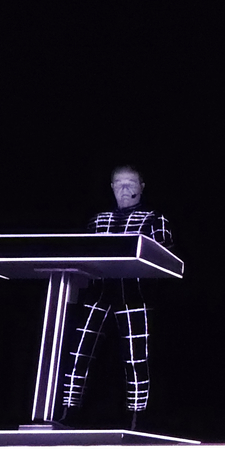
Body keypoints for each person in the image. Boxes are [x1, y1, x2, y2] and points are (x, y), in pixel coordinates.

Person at [58, 165, 172, 428]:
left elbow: (164, 254)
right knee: (79, 352)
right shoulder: (98, 220)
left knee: (136, 357)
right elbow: (81, 253)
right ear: (111, 187)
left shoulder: (154, 218)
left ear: (142, 186)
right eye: (119, 183)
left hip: (134, 293)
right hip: (98, 292)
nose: (124, 188)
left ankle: (138, 416)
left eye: (130, 182)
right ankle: (69, 410)